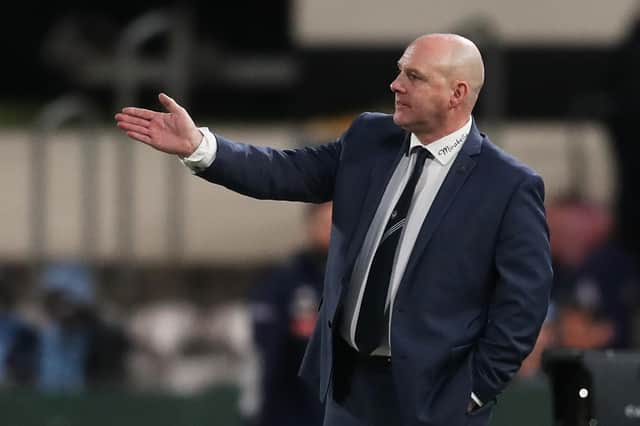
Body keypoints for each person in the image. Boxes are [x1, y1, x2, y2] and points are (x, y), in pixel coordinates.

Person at [115, 33, 552, 426]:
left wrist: (477, 390)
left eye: (413, 76)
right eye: (400, 71)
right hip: (351, 390)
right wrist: (201, 148)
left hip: (439, 399)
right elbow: (286, 172)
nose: (396, 85)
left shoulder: (508, 185)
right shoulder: (368, 137)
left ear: (457, 93)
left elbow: (525, 300)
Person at [247, 202, 332, 426]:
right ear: (311, 226)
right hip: (289, 412)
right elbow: (264, 352)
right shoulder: (285, 281)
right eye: (326, 223)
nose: (331, 231)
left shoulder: (360, 281)